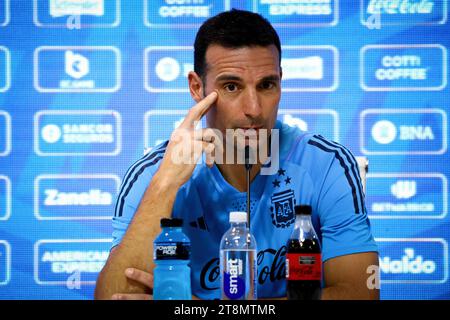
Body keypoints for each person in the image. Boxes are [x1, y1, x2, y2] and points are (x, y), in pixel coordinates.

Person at [94, 9, 379, 300]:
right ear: (196, 87)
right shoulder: (152, 173)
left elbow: (360, 294)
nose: (254, 109)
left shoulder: (327, 163)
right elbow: (113, 296)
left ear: (281, 81)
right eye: (232, 86)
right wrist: (165, 184)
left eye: (267, 85)